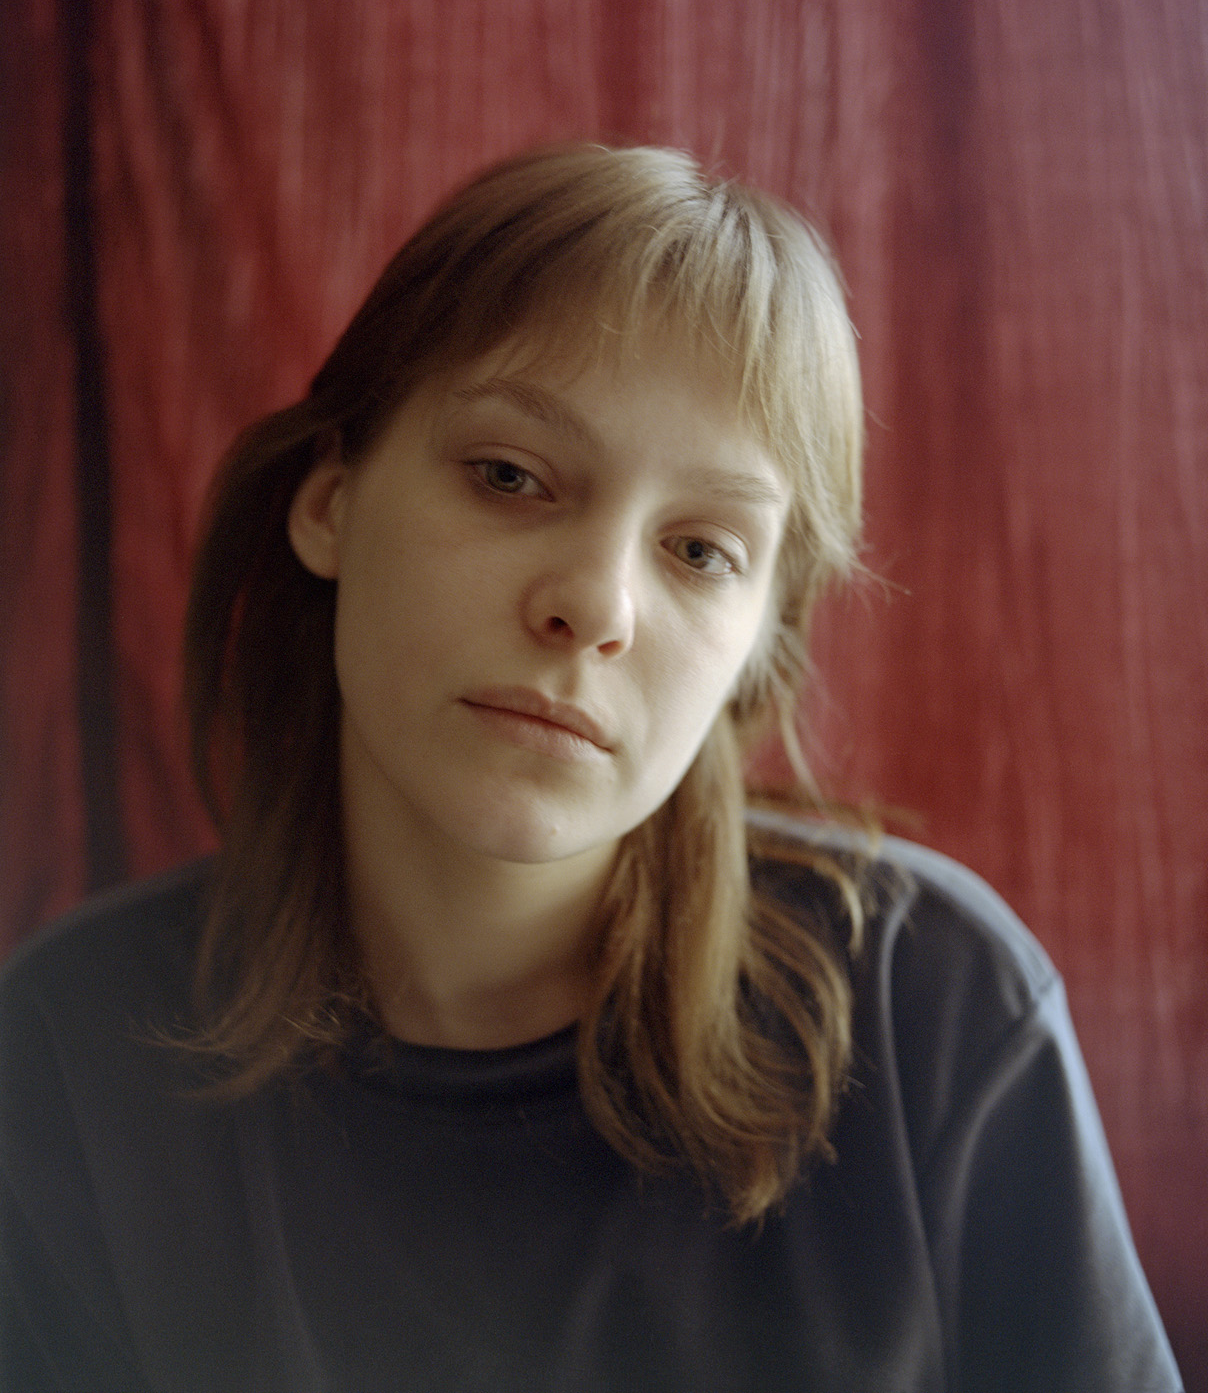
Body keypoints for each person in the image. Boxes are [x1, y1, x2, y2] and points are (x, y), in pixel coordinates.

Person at [0, 144, 1181, 1391]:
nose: (595, 606)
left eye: (701, 550)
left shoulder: (931, 1007)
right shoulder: (68, 1052)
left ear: (757, 648)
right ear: (330, 503)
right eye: (509, 477)